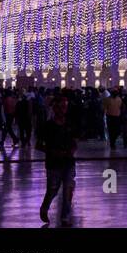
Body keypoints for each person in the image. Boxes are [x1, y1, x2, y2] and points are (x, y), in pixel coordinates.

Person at [37, 94, 77, 224]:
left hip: (68, 162)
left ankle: (65, 215)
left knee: (68, 189)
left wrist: (72, 150)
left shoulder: (70, 123)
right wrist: (53, 152)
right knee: (53, 190)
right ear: (54, 109)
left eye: (64, 107)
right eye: (59, 107)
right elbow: (38, 145)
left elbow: (74, 141)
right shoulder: (48, 126)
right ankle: (45, 206)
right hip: (54, 163)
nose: (62, 110)